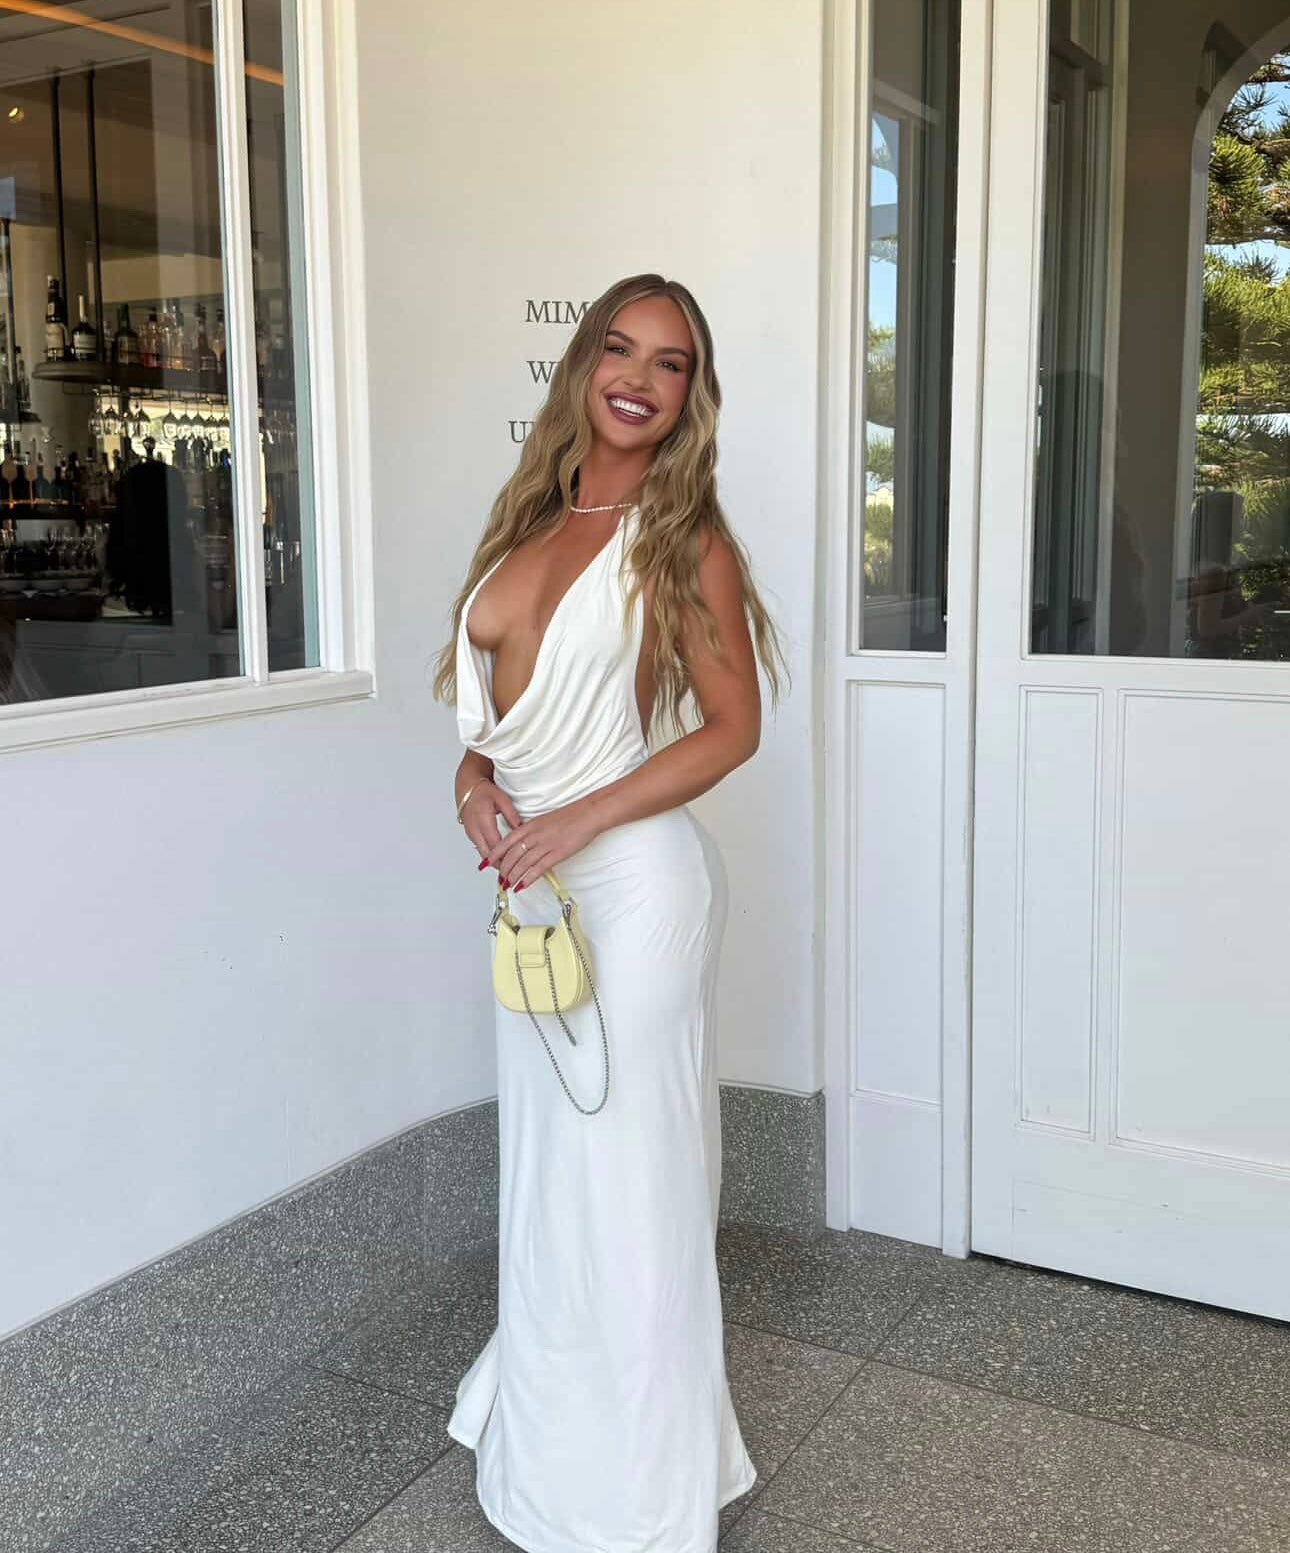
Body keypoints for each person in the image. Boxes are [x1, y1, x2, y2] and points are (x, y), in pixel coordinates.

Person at [430, 272, 789, 1551]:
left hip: (635, 892)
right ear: (583, 364)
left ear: (691, 393)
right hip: (535, 892)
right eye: (622, 349)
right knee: (551, 1174)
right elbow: (486, 733)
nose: (640, 376)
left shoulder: (684, 539)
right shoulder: (526, 519)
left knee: (628, 1179)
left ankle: (635, 1493)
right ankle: (553, 1443)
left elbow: (734, 728)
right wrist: (474, 791)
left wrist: (577, 818)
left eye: (671, 361)